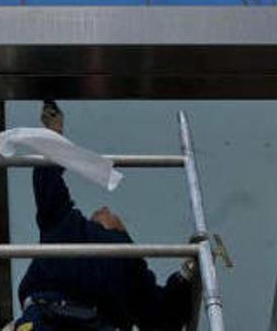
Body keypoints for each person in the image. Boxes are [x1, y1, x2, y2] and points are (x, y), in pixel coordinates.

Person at [12, 101, 194, 331]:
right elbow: (47, 181)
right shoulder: (67, 225)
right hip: (48, 316)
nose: (103, 208)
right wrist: (53, 135)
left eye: (109, 212)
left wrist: (188, 274)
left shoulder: (130, 263)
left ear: (122, 232)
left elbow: (162, 317)